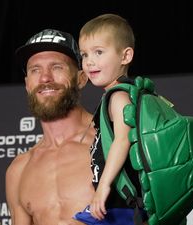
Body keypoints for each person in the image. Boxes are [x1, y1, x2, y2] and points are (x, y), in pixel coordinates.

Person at [5, 29, 96, 225]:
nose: (45, 78)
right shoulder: (19, 170)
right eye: (35, 70)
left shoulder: (112, 143)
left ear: (81, 78)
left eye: (57, 67)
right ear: (27, 84)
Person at [74, 14, 148, 225]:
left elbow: (123, 140)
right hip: (117, 206)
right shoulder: (116, 95)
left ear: (125, 56)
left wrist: (104, 186)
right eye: (84, 54)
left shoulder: (118, 97)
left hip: (123, 207)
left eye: (99, 52)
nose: (89, 62)